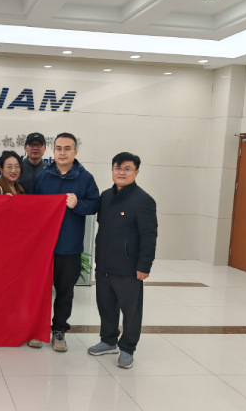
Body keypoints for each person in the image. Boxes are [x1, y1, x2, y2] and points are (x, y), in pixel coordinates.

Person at [88, 152, 157, 369]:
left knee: (130, 310)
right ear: (112, 170)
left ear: (136, 172)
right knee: (106, 306)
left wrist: (144, 265)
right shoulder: (106, 196)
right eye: (117, 168)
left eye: (127, 168)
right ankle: (108, 341)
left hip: (128, 267)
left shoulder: (143, 200)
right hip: (104, 264)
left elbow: (149, 235)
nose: (121, 172)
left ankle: (127, 348)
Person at [31, 133, 100, 352]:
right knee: (39, 292)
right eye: (59, 148)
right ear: (53, 151)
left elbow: (95, 205)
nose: (62, 152)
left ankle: (59, 330)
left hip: (69, 247)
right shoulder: (42, 177)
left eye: (67, 148)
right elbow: (31, 209)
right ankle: (37, 330)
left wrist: (78, 204)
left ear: (75, 152)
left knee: (64, 292)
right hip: (44, 248)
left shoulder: (85, 178)